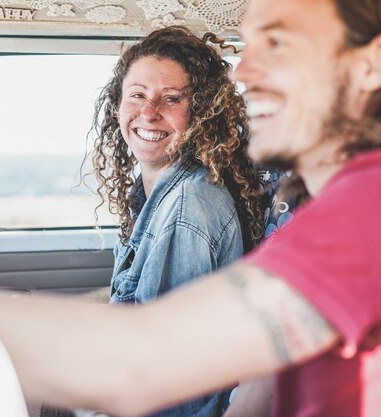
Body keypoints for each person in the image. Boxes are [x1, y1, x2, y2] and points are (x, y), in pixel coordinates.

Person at [0, 0, 381, 416]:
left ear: (373, 65)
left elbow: (139, 361)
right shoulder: (329, 210)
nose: (244, 71)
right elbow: (257, 387)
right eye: (247, 44)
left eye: (277, 43)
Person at [82, 26, 265, 417]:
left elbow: (167, 375)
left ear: (199, 113)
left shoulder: (186, 207)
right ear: (118, 104)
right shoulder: (158, 191)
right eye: (137, 95)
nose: (148, 112)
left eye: (171, 99)